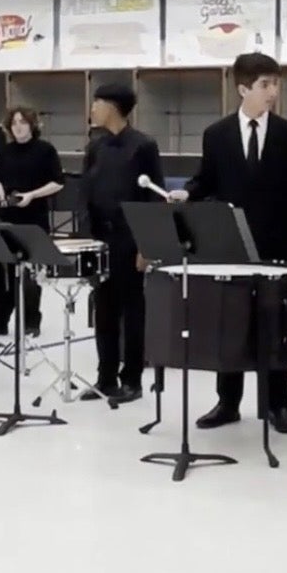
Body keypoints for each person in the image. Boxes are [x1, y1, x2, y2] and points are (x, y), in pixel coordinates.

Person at [169, 52, 287, 434]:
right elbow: (206, 179)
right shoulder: (217, 134)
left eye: (276, 84)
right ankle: (228, 403)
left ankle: (277, 405)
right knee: (229, 323)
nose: (272, 92)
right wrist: (187, 193)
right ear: (243, 89)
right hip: (230, 244)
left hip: (274, 243)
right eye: (264, 85)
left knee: (274, 323)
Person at [81, 83, 165, 404]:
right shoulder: (95, 146)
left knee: (132, 311)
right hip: (101, 239)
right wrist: (87, 237)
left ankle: (132, 378)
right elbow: (86, 194)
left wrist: (147, 245)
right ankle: (105, 377)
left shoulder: (143, 146)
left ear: (113, 107)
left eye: (97, 102)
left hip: (130, 238)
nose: (92, 108)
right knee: (103, 309)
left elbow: (153, 197)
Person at [0, 106, 65, 338]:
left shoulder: (45, 150)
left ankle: (31, 322)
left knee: (31, 273)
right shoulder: (6, 151)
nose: (18, 127)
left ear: (32, 125)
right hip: (7, 217)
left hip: (33, 217)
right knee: (2, 270)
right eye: (14, 123)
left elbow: (58, 182)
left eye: (22, 122)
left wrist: (31, 195)